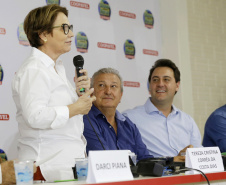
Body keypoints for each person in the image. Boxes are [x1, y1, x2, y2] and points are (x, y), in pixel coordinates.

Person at [11, 4, 96, 182]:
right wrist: (75, 107)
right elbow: (35, 116)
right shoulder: (34, 69)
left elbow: (63, 112)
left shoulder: (55, 68)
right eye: (64, 28)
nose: (71, 34)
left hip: (66, 165)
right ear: (43, 35)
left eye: (70, 28)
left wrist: (79, 97)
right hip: (47, 168)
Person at [123, 59, 202, 160]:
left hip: (188, 174)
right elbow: (129, 160)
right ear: (149, 86)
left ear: (177, 86)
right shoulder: (129, 118)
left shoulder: (187, 121)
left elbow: (199, 155)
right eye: (155, 80)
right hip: (155, 175)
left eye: (166, 79)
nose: (160, 84)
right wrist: (172, 161)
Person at [83, 68, 153, 162]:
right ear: (91, 93)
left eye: (113, 86)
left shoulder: (129, 125)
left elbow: (145, 159)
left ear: (120, 95)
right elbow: (105, 160)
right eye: (101, 85)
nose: (108, 91)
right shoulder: (85, 120)